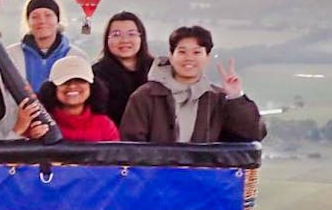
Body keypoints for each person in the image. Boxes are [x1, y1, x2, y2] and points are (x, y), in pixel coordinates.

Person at [120, 25, 266, 143]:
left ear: (207, 57)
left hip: (204, 178)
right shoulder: (145, 96)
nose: (189, 58)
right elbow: (131, 146)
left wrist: (236, 97)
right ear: (171, 56)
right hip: (156, 178)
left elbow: (254, 134)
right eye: (182, 52)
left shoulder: (218, 98)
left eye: (197, 52)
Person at [6, 0, 89, 91]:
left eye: (48, 15)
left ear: (57, 20)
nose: (42, 21)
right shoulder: (11, 54)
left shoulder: (76, 56)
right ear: (28, 22)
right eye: (35, 17)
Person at [92, 11, 154, 126]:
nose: (124, 40)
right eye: (116, 34)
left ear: (142, 37)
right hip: (113, 139)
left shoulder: (158, 70)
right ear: (107, 39)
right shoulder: (95, 74)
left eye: (131, 34)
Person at [37, 56, 119, 142]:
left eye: (80, 80)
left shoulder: (105, 125)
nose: (72, 86)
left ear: (92, 86)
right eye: (65, 81)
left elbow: (117, 154)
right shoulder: (40, 123)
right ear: (53, 88)